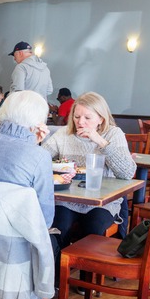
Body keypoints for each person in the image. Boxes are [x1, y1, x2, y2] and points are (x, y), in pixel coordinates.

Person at [42, 91, 136, 246]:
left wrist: (100, 141)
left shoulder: (113, 134)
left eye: (87, 117)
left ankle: (87, 268)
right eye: (77, 117)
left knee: (93, 228)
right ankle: (60, 268)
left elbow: (127, 173)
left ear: (101, 118)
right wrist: (35, 140)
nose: (81, 122)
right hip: (67, 199)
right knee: (58, 228)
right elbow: (41, 159)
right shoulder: (63, 134)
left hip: (102, 202)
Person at [0, 90, 54, 227]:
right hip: (15, 234)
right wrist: (32, 141)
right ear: (38, 121)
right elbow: (45, 217)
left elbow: (8, 151)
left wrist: (30, 140)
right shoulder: (40, 155)